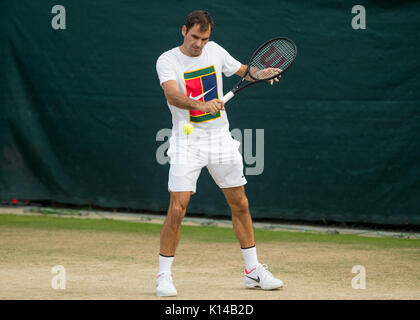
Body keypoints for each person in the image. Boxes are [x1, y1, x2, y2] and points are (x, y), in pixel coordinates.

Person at [155, 10, 283, 297]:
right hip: (187, 140)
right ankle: (164, 276)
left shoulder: (214, 51)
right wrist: (200, 106)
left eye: (204, 38)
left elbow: (242, 71)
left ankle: (252, 272)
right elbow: (172, 95)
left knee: (240, 203)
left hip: (220, 139)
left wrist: (258, 73)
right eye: (195, 37)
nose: (199, 44)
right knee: (178, 208)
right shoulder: (167, 60)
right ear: (183, 31)